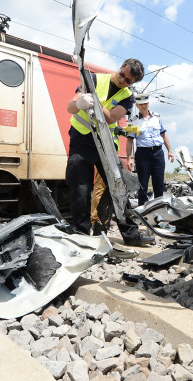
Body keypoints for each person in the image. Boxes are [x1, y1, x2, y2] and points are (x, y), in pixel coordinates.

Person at [65, 58, 154, 246]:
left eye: (128, 80)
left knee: (119, 190)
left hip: (105, 147)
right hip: (81, 142)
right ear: (120, 67)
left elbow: (112, 117)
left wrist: (95, 103)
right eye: (123, 74)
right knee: (80, 191)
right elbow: (70, 107)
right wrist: (80, 102)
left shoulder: (128, 97)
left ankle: (131, 235)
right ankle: (82, 237)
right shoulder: (93, 80)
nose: (123, 80)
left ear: (133, 83)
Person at [125, 94, 175, 206]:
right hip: (143, 154)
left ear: (148, 103)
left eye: (145, 103)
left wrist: (170, 151)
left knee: (159, 182)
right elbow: (129, 141)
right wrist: (129, 158)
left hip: (158, 152)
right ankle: (143, 210)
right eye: (141, 104)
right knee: (143, 184)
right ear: (137, 105)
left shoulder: (157, 118)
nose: (144, 106)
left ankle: (159, 208)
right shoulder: (133, 121)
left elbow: (163, 134)